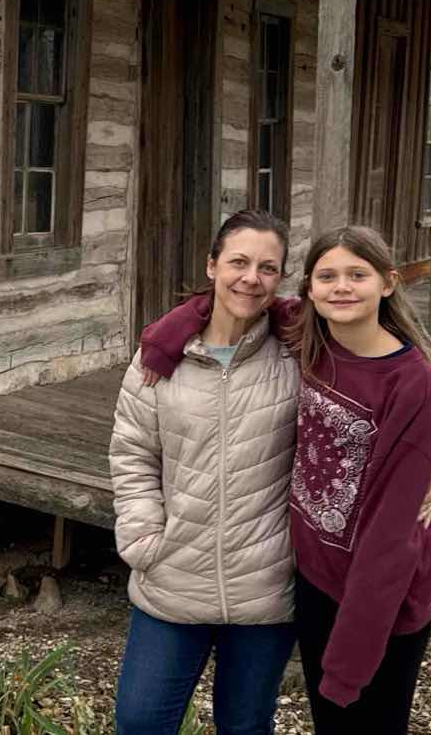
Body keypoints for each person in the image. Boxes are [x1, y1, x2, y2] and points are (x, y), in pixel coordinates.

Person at [135, 225, 431, 735]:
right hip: (314, 578)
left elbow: (390, 536)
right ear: (309, 291)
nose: (341, 287)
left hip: (381, 598)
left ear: (388, 282)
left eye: (357, 275)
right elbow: (229, 302)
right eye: (327, 276)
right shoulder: (310, 338)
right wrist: (164, 338)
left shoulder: (409, 381)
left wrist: (347, 664)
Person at [108, 209, 300, 735]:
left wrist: (423, 475)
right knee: (141, 722)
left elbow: (361, 418)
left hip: (266, 584)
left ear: (279, 278)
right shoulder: (160, 357)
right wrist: (144, 535)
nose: (251, 278)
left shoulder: (299, 354)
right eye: (238, 262)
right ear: (212, 265)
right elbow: (132, 451)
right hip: (173, 574)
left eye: (267, 267)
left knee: (245, 727)